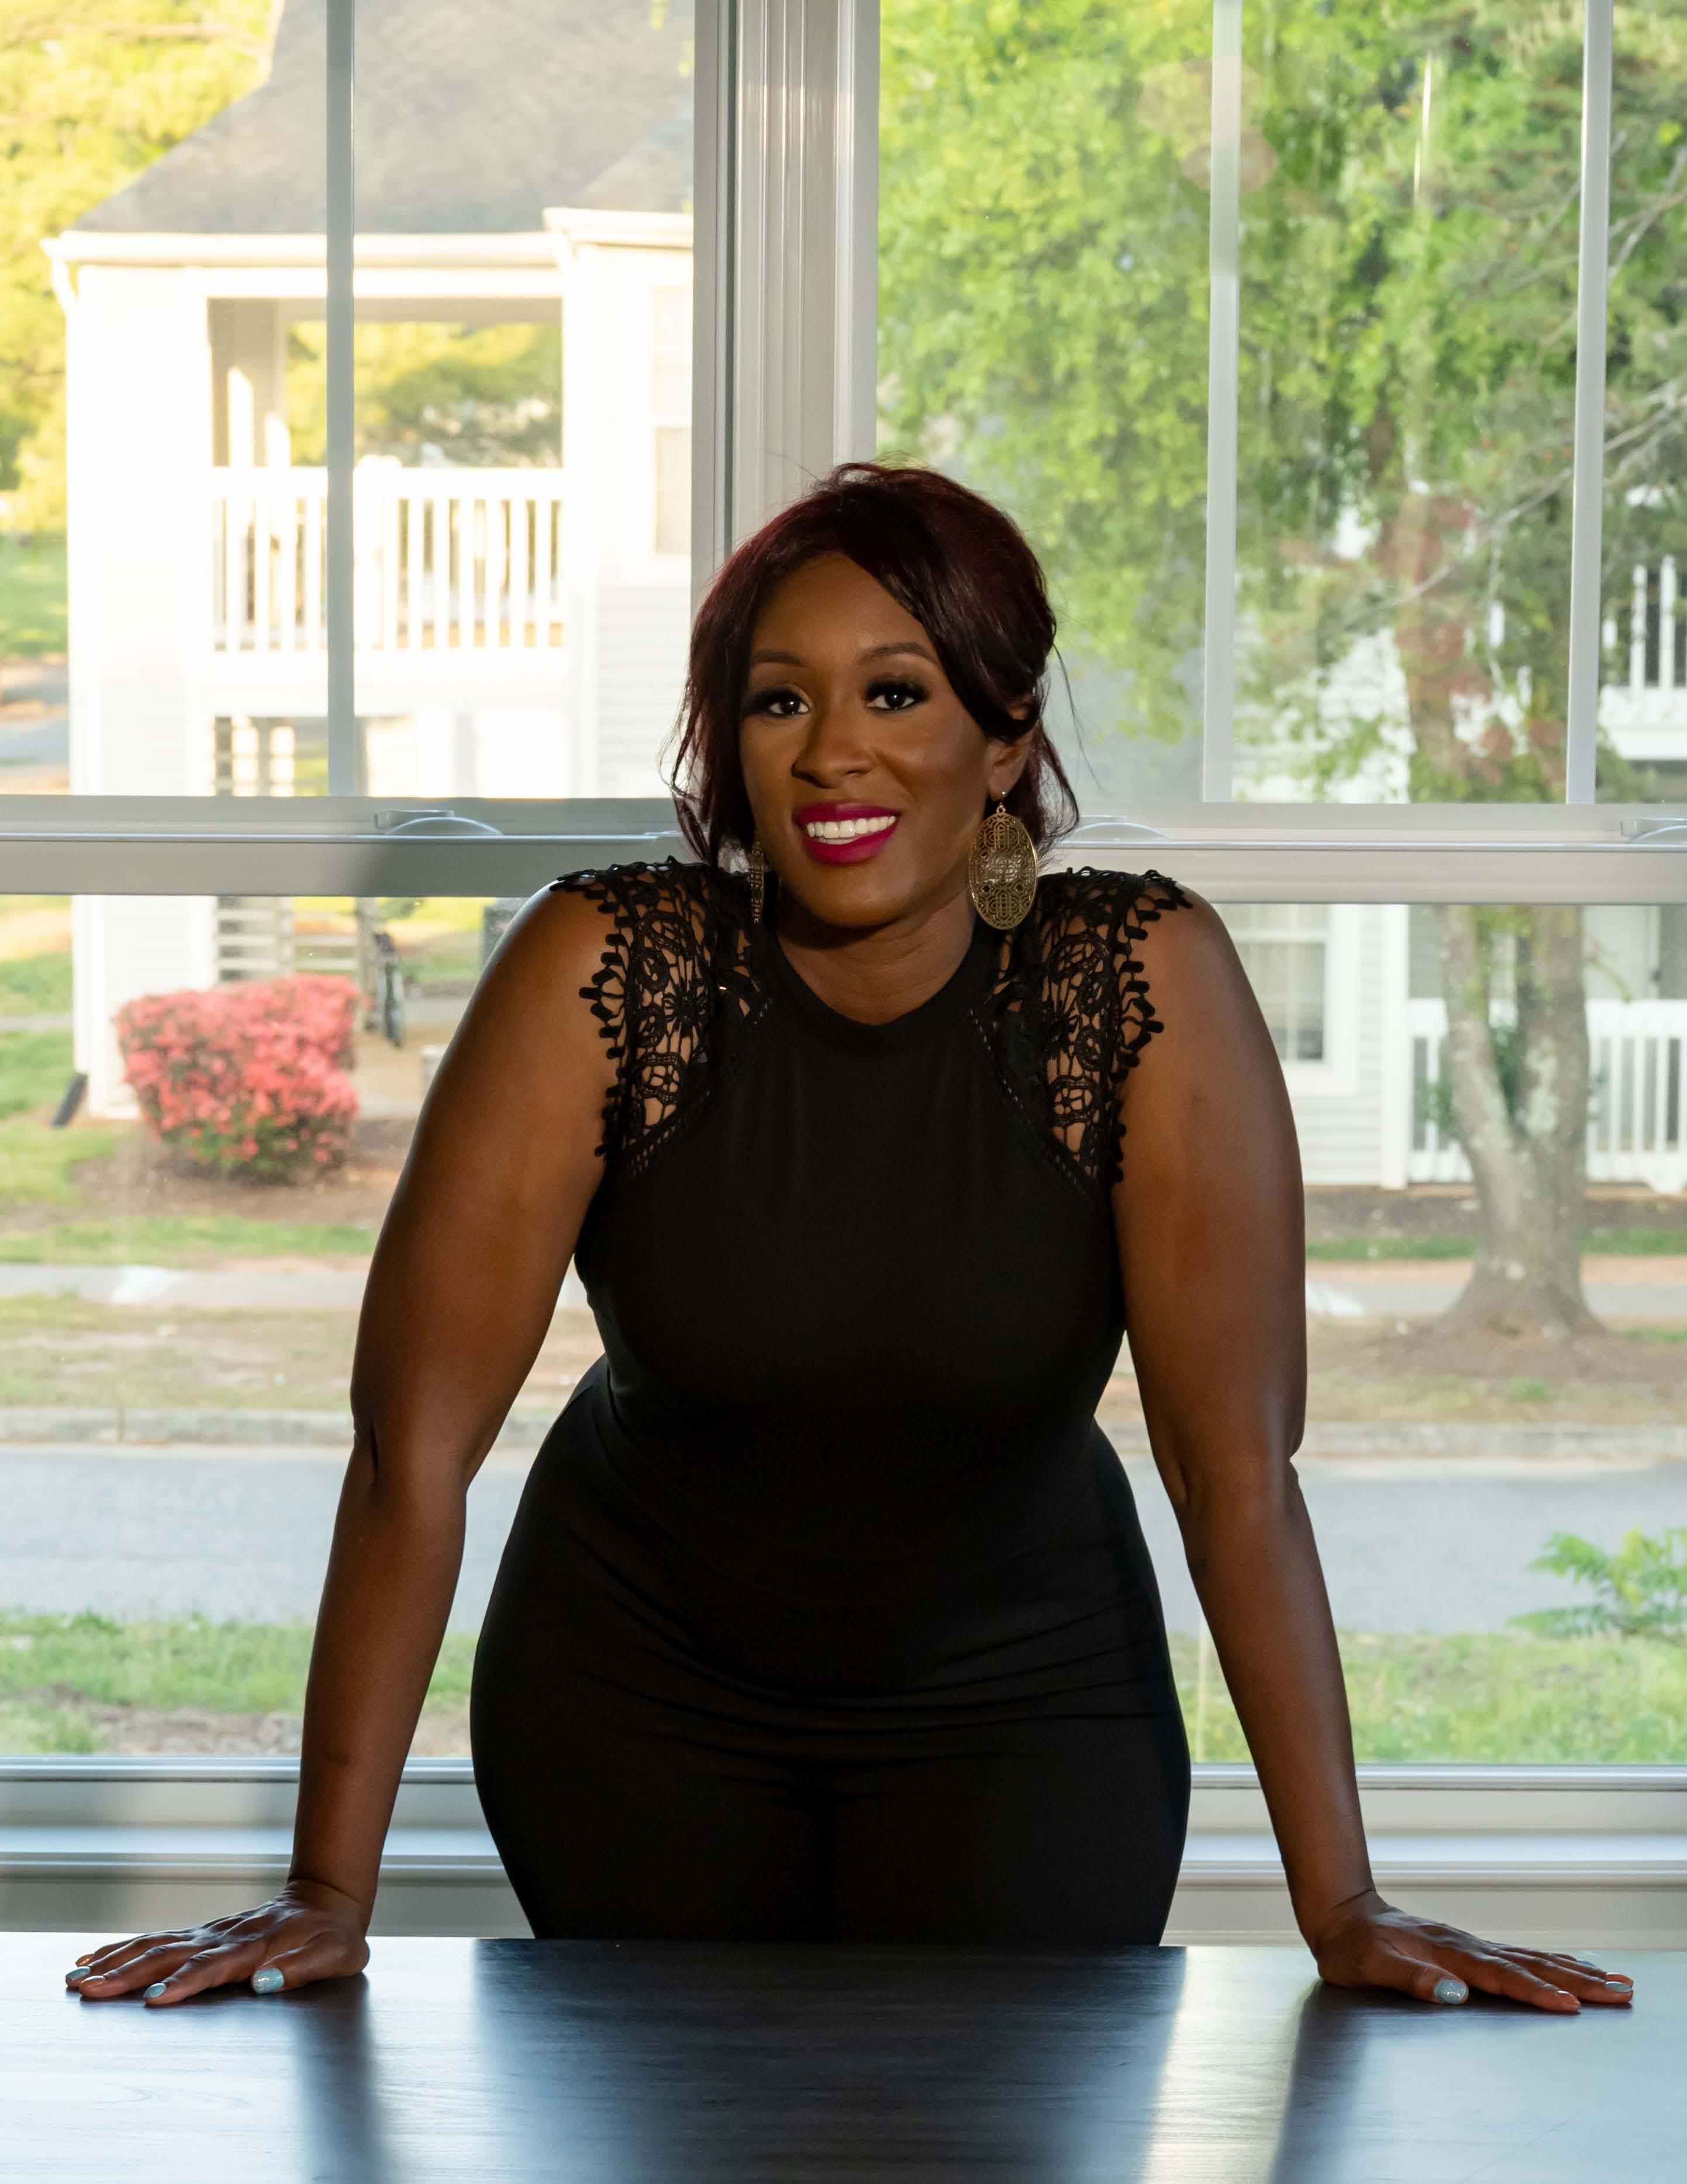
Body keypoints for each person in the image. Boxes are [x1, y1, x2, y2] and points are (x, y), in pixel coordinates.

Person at [68, 463, 1631, 2013]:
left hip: (1031, 1699)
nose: (833, 752)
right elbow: (408, 1452)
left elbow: (1236, 1477)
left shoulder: (1138, 984)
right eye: (779, 701)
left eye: (897, 692)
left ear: (1004, 736)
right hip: (634, 1694)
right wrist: (326, 1893)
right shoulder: (602, 972)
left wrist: (1344, 1904)